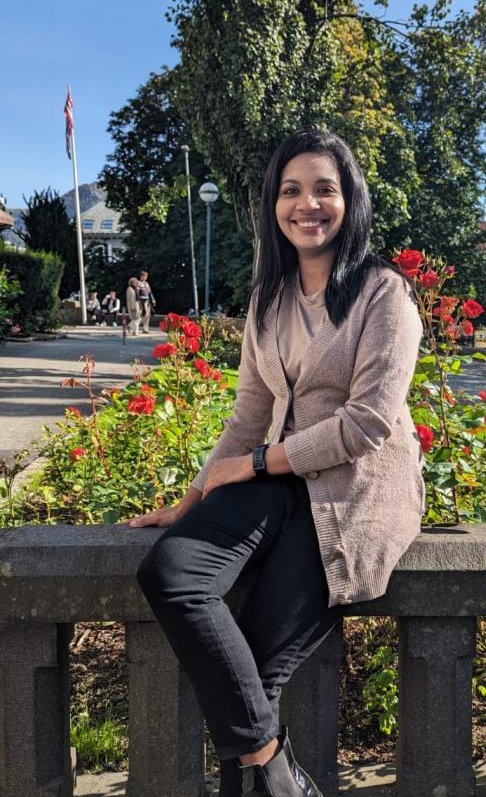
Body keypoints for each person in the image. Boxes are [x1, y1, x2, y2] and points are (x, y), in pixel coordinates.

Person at [129, 128, 424, 797]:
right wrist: (193, 496)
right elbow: (246, 415)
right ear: (272, 204)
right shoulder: (269, 298)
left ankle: (261, 775)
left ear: (350, 200)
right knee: (170, 569)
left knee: (254, 672)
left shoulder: (384, 294)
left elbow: (368, 422)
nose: (307, 203)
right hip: (277, 481)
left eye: (325, 188)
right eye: (291, 190)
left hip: (354, 492)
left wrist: (260, 461)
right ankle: (277, 768)